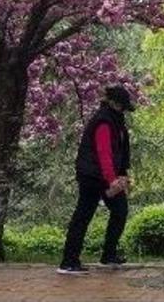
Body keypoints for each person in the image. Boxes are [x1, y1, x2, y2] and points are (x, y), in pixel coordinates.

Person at [58, 85, 135, 274]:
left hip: (107, 176)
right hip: (93, 176)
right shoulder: (103, 121)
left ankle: (108, 255)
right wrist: (111, 179)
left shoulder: (117, 121)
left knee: (120, 210)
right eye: (121, 106)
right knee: (83, 216)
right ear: (113, 103)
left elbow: (120, 151)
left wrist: (122, 174)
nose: (124, 109)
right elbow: (104, 152)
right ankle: (69, 262)